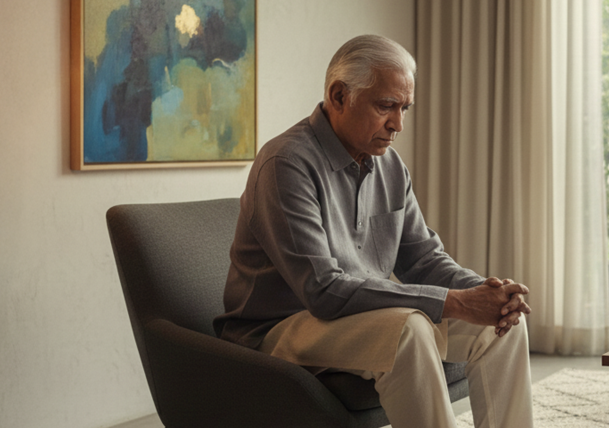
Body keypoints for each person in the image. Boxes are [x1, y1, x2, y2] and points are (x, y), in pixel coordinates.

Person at [214, 34, 533, 428]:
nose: (398, 124)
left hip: (362, 318)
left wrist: (487, 294)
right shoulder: (285, 164)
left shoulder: (390, 166)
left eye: (405, 108)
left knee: (504, 325)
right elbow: (323, 291)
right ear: (339, 95)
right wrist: (458, 302)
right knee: (410, 328)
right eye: (386, 106)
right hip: (280, 329)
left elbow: (423, 259)